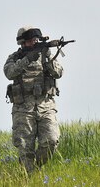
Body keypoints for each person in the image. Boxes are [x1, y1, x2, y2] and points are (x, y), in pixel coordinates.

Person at [4, 26, 64, 173]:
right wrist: (27, 59)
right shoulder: (14, 58)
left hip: (46, 106)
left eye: (36, 40)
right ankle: (29, 178)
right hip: (23, 109)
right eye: (31, 41)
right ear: (23, 43)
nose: (34, 42)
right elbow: (9, 73)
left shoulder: (46, 55)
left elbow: (59, 73)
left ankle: (36, 168)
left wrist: (47, 58)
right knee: (25, 148)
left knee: (51, 140)